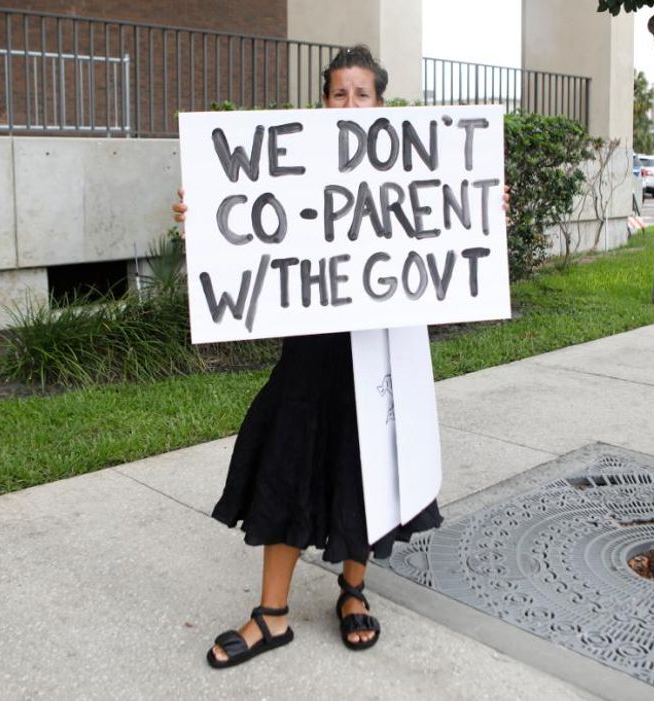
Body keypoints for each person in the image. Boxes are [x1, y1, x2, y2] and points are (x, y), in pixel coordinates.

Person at [174, 45, 507, 669]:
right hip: (312, 350)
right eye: (337, 93)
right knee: (287, 456)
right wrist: (205, 220)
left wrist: (483, 211)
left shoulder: (415, 170)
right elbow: (248, 234)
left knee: (373, 462)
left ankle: (353, 590)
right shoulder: (294, 168)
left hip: (384, 344)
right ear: (321, 103)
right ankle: (272, 614)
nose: (349, 104)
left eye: (362, 93)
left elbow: (449, 240)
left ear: (382, 102)